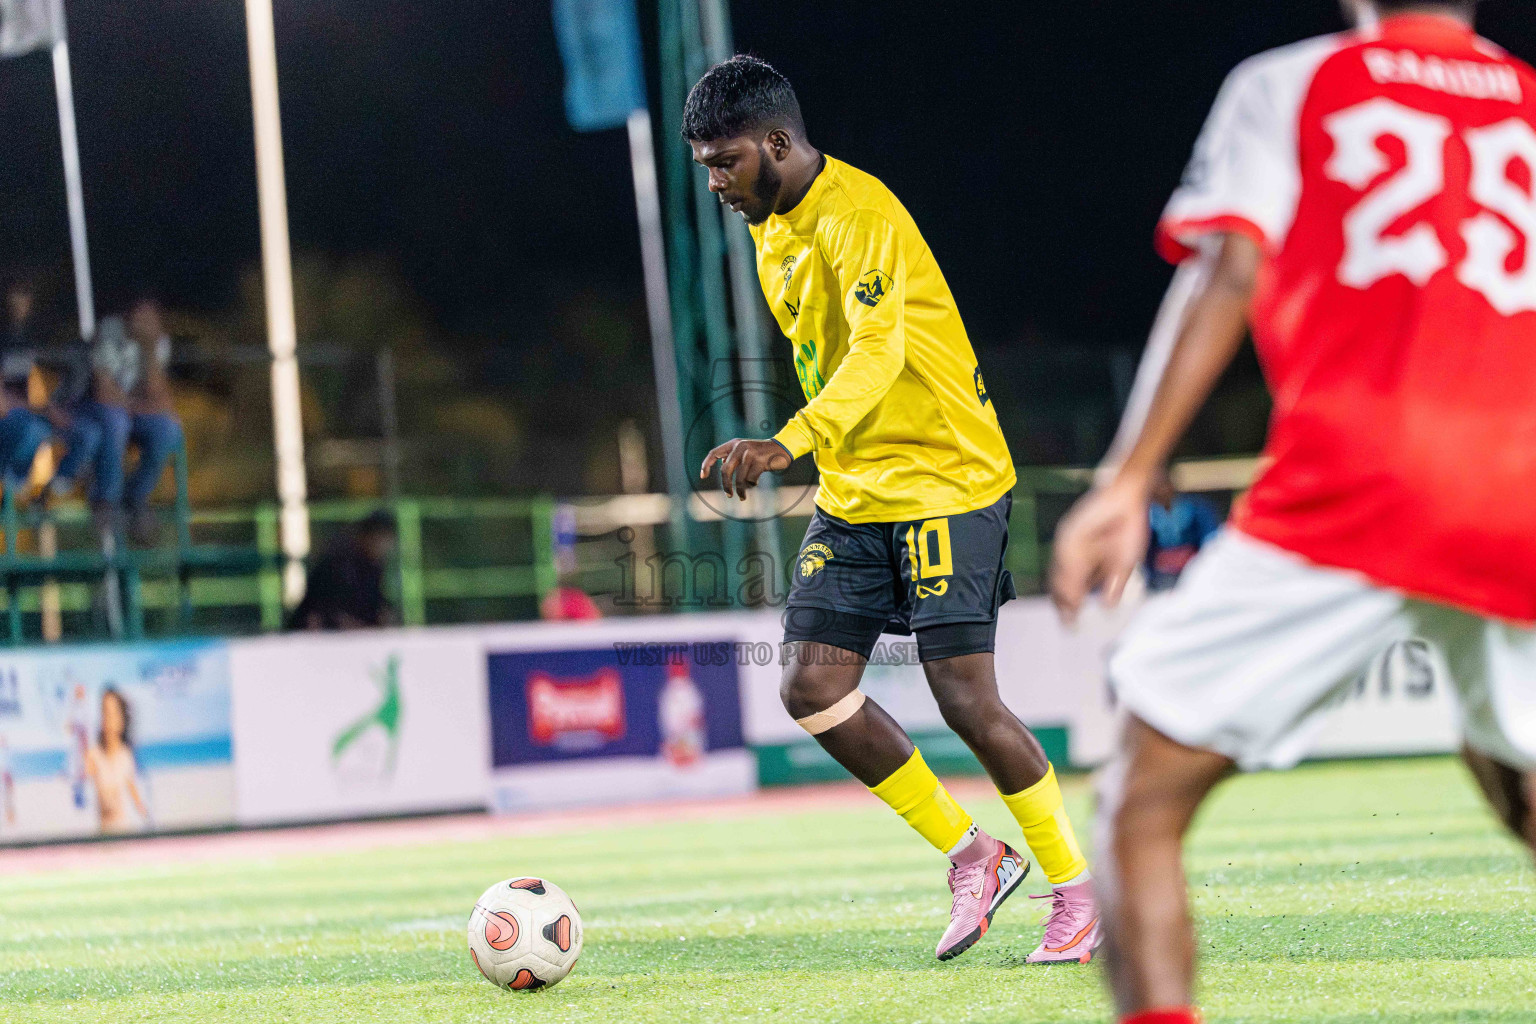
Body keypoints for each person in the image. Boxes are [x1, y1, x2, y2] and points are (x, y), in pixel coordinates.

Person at [1049, 3, 1536, 1023]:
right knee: (1514, 771)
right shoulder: (1527, 106)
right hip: (1520, 494)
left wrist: (1130, 476)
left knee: (1139, 797)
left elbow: (1231, 267)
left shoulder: (1294, 82)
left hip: (1366, 483)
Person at [687, 56, 1098, 964]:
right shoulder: (771, 223)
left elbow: (876, 355)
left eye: (725, 162)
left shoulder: (861, 214)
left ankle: (1075, 888)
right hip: (858, 490)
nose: (716, 182)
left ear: (778, 143)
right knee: (809, 685)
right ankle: (973, 853)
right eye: (708, 166)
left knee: (964, 698)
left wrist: (789, 441)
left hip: (948, 476)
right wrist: (824, 453)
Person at [289, 511, 399, 630]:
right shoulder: (341, 562)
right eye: (382, 538)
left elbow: (375, 606)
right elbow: (326, 612)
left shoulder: (372, 565)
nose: (385, 545)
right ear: (368, 536)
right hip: (321, 635)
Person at [0, 280, 53, 493]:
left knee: (47, 429)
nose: (20, 304)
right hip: (10, 414)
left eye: (24, 297)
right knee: (33, 429)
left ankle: (18, 486)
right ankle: (12, 482)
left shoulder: (29, 338)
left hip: (21, 410)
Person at [85, 687, 149, 834]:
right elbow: (86, 788)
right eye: (105, 712)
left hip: (125, 832)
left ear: (122, 719)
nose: (109, 719)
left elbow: (131, 785)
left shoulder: (126, 755)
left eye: (114, 713)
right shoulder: (93, 754)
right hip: (102, 833)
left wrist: (142, 809)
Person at [1143, 473, 1221, 592]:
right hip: (1161, 575)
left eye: (1163, 485)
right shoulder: (1146, 514)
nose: (1161, 490)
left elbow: (1210, 539)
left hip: (1192, 569)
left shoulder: (1197, 508)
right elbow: (1144, 548)